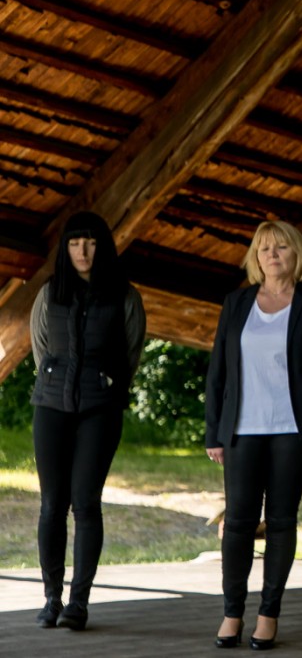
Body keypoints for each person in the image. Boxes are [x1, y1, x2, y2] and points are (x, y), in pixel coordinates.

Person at [205, 220, 302, 651]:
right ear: (256, 256)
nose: (272, 255)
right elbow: (218, 370)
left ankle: (268, 614)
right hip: (241, 430)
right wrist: (213, 432)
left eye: (281, 247)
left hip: (293, 431)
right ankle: (232, 612)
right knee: (238, 523)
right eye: (264, 248)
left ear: (296, 253)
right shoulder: (237, 302)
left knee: (282, 522)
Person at [29, 211, 146, 631]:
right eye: (75, 243)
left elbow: (131, 351)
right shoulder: (50, 292)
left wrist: (105, 385)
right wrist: (58, 383)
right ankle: (51, 598)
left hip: (100, 410)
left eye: (91, 242)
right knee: (51, 504)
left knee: (85, 503)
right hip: (51, 408)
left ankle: (78, 603)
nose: (83, 251)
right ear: (66, 248)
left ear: (104, 247)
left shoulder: (125, 296)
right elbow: (41, 346)